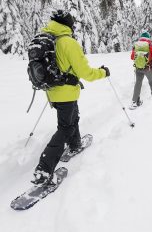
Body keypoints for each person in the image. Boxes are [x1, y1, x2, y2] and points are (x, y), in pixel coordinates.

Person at [32, 10, 110, 185]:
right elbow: (86, 73)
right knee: (65, 127)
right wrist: (103, 72)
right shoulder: (68, 42)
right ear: (68, 25)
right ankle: (43, 169)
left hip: (53, 92)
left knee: (73, 118)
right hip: (66, 93)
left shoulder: (50, 39)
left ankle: (75, 145)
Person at [130, 31, 152, 109]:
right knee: (151, 81)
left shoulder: (136, 45)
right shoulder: (149, 45)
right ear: (148, 38)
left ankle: (134, 101)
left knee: (138, 83)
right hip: (148, 68)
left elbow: (132, 57)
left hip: (138, 68)